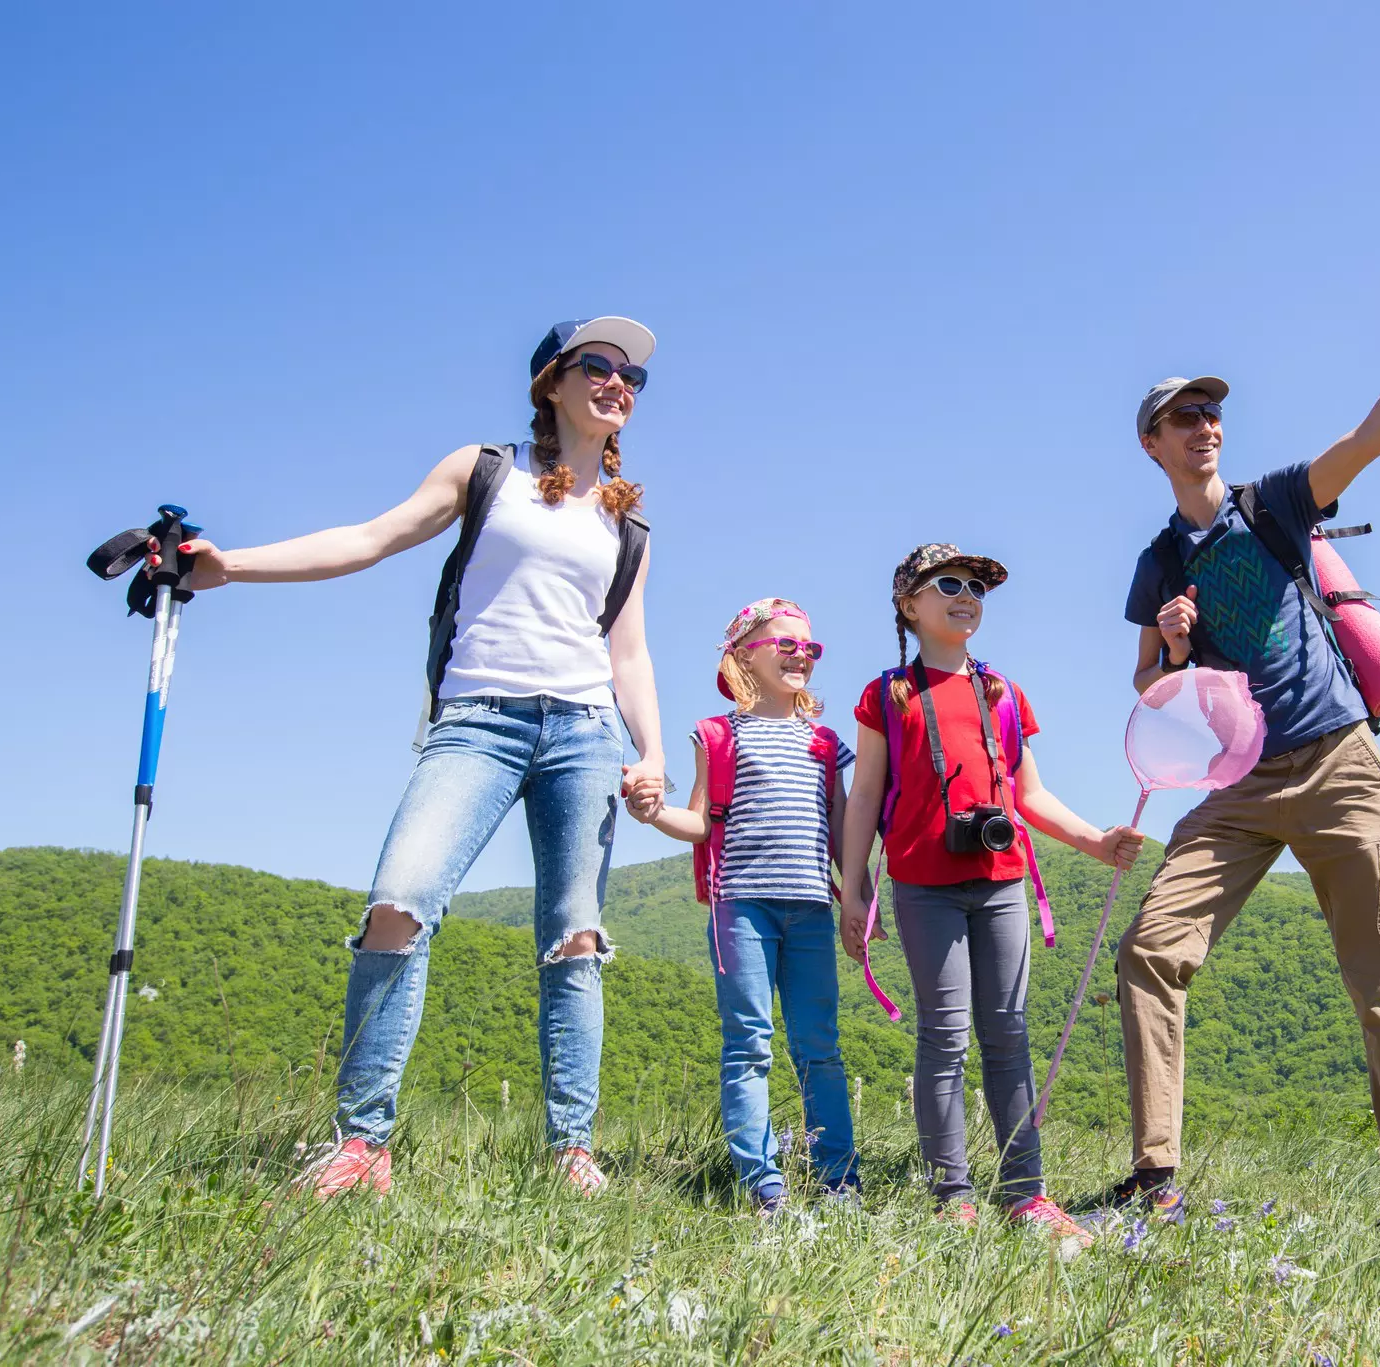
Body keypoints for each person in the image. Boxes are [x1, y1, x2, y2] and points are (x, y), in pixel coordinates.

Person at [142, 317, 669, 1198]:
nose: (618, 383)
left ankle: (572, 1150)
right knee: (399, 899)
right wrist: (229, 567)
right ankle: (363, 1143)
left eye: (632, 377)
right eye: (597, 365)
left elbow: (629, 650)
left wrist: (650, 748)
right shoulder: (486, 470)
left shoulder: (627, 524)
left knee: (575, 937)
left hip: (585, 732)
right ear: (551, 381)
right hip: (478, 721)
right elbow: (370, 537)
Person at [1109, 244, 1380, 1229]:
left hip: (1338, 761)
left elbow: (1375, 435)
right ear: (1152, 445)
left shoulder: (1276, 504)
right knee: (1149, 949)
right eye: (1182, 417)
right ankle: (1156, 1175)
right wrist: (1172, 647)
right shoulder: (1158, 559)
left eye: (1211, 413)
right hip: (1242, 785)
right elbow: (1147, 685)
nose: (1204, 426)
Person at [837, 544, 1144, 1241]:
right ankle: (953, 1196)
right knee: (944, 1035)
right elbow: (864, 798)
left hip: (1002, 881)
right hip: (923, 884)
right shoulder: (888, 695)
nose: (966, 596)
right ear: (908, 605)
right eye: (948, 583)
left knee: (1008, 1033)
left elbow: (1029, 794)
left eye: (976, 587)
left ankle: (1026, 1194)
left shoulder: (1002, 691)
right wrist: (854, 890)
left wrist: (1096, 841)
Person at [634, 598, 859, 1213]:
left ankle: (840, 1180)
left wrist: (858, 897)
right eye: (785, 644)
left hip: (812, 906)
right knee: (749, 1043)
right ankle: (763, 1186)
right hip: (740, 907)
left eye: (810, 648)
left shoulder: (825, 742)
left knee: (820, 1046)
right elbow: (701, 822)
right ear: (743, 655)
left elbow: (842, 830)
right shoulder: (718, 735)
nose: (800, 656)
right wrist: (654, 814)